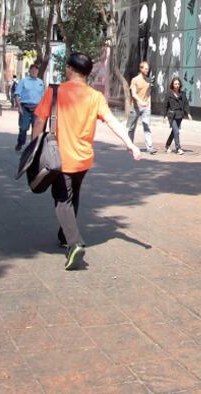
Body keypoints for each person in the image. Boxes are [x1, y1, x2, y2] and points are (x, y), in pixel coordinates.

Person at [31, 52, 141, 270]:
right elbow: (112, 122)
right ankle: (64, 236)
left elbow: (39, 121)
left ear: (70, 69)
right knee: (73, 195)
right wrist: (130, 143)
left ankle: (74, 244)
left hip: (59, 158)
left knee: (62, 200)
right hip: (83, 160)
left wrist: (34, 147)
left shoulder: (54, 92)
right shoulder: (95, 96)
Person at [14, 64, 46, 151]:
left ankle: (33, 147)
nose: (34, 71)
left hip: (37, 108)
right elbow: (17, 95)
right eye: (32, 70)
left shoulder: (40, 82)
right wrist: (19, 107)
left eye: (36, 70)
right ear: (29, 71)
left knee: (36, 129)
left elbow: (43, 97)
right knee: (23, 128)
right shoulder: (23, 81)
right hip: (25, 107)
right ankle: (20, 142)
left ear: (38, 72)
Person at [127, 61, 156, 154]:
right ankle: (130, 146)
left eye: (148, 69)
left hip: (146, 108)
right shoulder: (135, 80)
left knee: (146, 126)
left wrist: (148, 104)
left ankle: (150, 147)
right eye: (146, 68)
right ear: (141, 69)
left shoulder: (148, 80)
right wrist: (141, 102)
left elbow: (148, 94)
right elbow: (133, 94)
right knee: (131, 128)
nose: (147, 70)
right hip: (135, 107)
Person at [163, 77, 191, 154]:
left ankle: (167, 145)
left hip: (180, 115)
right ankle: (178, 148)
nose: (177, 85)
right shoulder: (169, 94)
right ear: (172, 84)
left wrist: (188, 114)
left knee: (174, 132)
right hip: (172, 115)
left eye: (178, 84)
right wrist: (165, 116)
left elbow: (186, 104)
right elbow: (166, 105)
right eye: (175, 84)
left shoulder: (183, 94)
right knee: (176, 131)